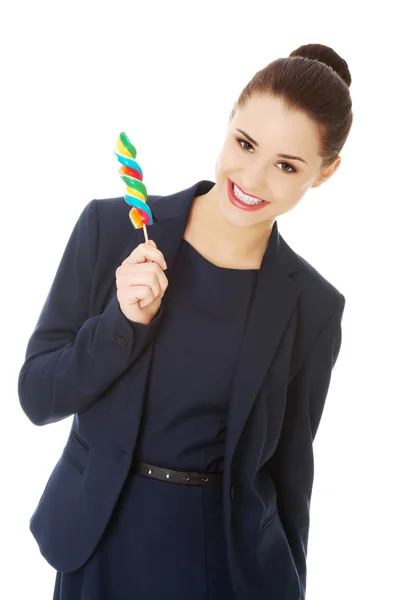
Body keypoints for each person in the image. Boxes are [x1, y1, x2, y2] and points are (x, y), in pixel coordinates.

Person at [18, 43, 352, 600]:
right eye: (245, 144)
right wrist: (121, 321)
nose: (252, 178)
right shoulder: (111, 229)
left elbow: (292, 476)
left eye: (286, 165)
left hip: (219, 560)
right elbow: (37, 395)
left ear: (324, 173)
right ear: (229, 124)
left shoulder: (314, 307)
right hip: (98, 539)